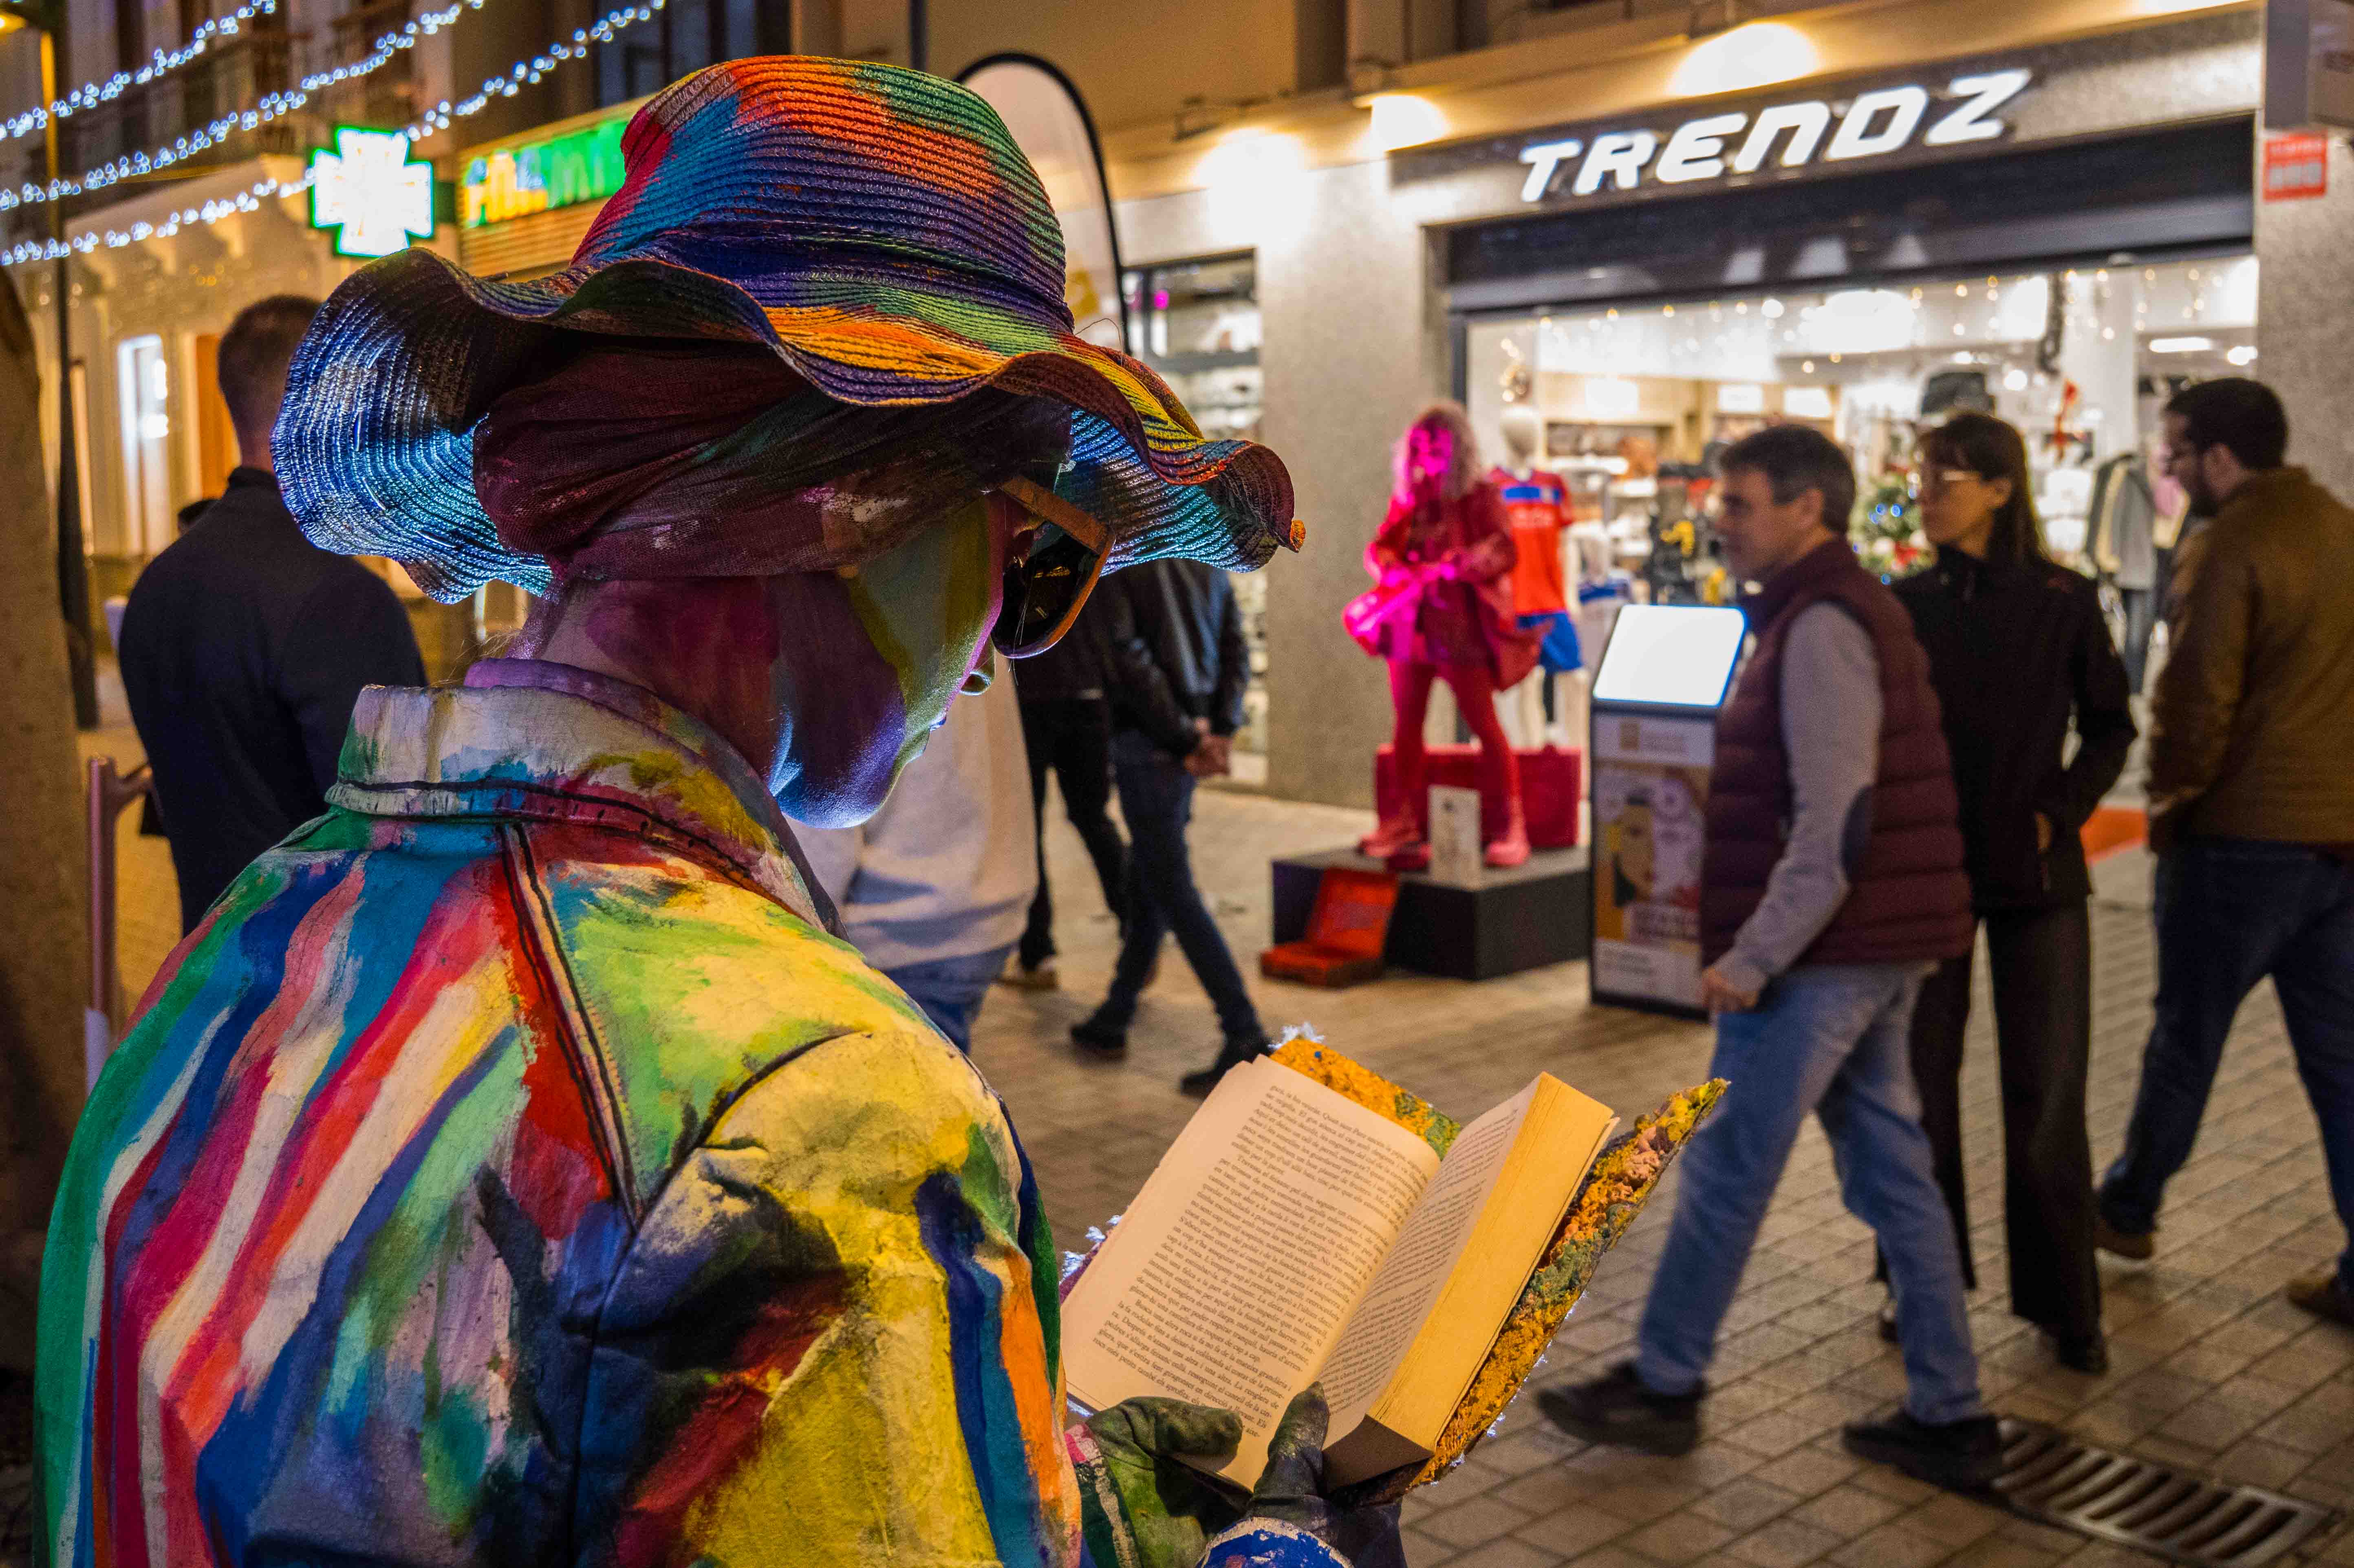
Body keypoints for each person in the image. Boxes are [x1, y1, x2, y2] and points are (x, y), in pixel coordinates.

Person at [37, 59, 1389, 1568]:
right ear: (843, 510)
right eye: (1031, 565)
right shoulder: (816, 1111)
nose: (1006, 651)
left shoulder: (257, 938)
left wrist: (1043, 1481)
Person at [1541, 425, 2001, 1487]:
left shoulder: (1826, 625)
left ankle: (1665, 1383)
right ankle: (1950, 1407)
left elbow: (1835, 820)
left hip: (1824, 953)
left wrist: (1754, 955)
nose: (1721, 521)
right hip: (1870, 944)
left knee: (1727, 1169)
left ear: (1807, 511)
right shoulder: (1821, 614)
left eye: (1741, 504)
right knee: (1895, 1174)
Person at [2096, 377, 2354, 1329]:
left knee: (2186, 1033)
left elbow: (2192, 698)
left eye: (2173, 451)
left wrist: (2169, 803)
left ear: (2217, 456)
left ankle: (2128, 1206)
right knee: (2341, 1064)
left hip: (2241, 839)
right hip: (2337, 846)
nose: (2163, 469)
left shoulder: (2230, 542)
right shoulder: (2341, 527)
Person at [1890, 413, 2136, 1374]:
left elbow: (2112, 725)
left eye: (1944, 478)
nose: (1926, 494)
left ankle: (2068, 1306)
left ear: (1999, 487)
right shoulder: (1904, 601)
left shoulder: (2063, 600)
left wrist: (2061, 807)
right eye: (1923, 477)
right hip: (1931, 877)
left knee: (2046, 1096)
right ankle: (1922, 1285)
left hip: (2039, 877)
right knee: (1920, 1095)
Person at [115, 293, 427, 931]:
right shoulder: (340, 599)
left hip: (205, 971)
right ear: (322, 403)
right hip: (329, 993)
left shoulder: (161, 582)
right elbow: (406, 837)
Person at [1070, 557, 1273, 1097]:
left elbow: (1126, 657)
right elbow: (1236, 648)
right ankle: (1114, 1015)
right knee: (1151, 881)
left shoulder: (1119, 559)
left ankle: (1244, 1030)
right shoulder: (1205, 559)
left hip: (1151, 746)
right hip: (1185, 741)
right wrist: (1220, 730)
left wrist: (1185, 738)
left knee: (1173, 891)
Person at [796, 666, 1038, 1052]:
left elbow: (821, 831)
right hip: (976, 905)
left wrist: (795, 947)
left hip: (898, 929)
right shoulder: (975, 608)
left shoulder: (852, 622)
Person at [1348, 404, 1538, 871]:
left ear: (1458, 447)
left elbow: (1503, 547)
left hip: (1459, 628)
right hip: (1411, 626)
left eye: (1437, 445)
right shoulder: (1410, 497)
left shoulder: (1479, 494)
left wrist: (1462, 564)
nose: (1428, 455)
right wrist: (1389, 564)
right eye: (1421, 445)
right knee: (1406, 724)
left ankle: (1509, 824)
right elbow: (1381, 547)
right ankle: (1404, 820)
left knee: (1483, 724)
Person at [1002, 593, 1128, 991]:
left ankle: (1038, 955)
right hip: (1087, 696)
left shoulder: (1017, 544)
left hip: (1030, 699)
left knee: (1030, 827)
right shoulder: (1099, 543)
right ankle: (1138, 925)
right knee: (1093, 817)